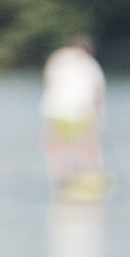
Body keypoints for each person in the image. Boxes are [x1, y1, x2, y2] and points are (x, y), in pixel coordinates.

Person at [41, 37, 106, 188]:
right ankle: (87, 176)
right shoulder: (90, 64)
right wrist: (102, 119)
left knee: (60, 146)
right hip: (79, 110)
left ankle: (61, 178)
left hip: (58, 110)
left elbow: (47, 80)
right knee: (85, 146)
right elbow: (99, 93)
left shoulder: (58, 57)